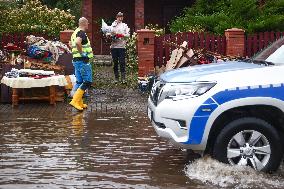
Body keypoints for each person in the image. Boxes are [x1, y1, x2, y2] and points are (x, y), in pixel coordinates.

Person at [69, 17, 94, 111]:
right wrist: (83, 53)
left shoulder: (74, 32)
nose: (88, 25)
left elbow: (71, 44)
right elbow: (78, 43)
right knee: (87, 81)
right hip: (82, 61)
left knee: (80, 82)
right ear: (85, 23)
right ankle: (75, 101)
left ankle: (80, 102)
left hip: (76, 60)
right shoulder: (81, 33)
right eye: (88, 23)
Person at [109, 12, 130, 83]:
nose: (120, 18)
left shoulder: (125, 25)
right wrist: (109, 35)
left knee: (122, 62)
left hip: (122, 47)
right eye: (118, 17)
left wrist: (121, 35)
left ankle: (123, 79)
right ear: (116, 17)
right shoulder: (113, 25)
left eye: (121, 17)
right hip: (114, 47)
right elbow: (108, 32)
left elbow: (128, 35)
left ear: (123, 17)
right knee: (115, 63)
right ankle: (116, 78)